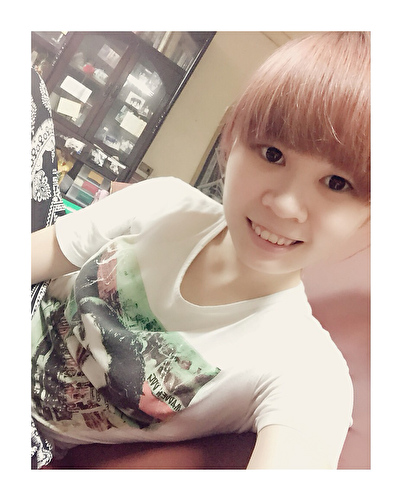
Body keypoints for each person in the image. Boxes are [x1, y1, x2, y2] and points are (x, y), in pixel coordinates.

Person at [31, 31, 370, 469]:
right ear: (232, 143)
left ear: (367, 217)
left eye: (337, 183)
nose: (285, 205)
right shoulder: (164, 202)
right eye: (272, 153)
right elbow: (35, 256)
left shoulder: (305, 367)